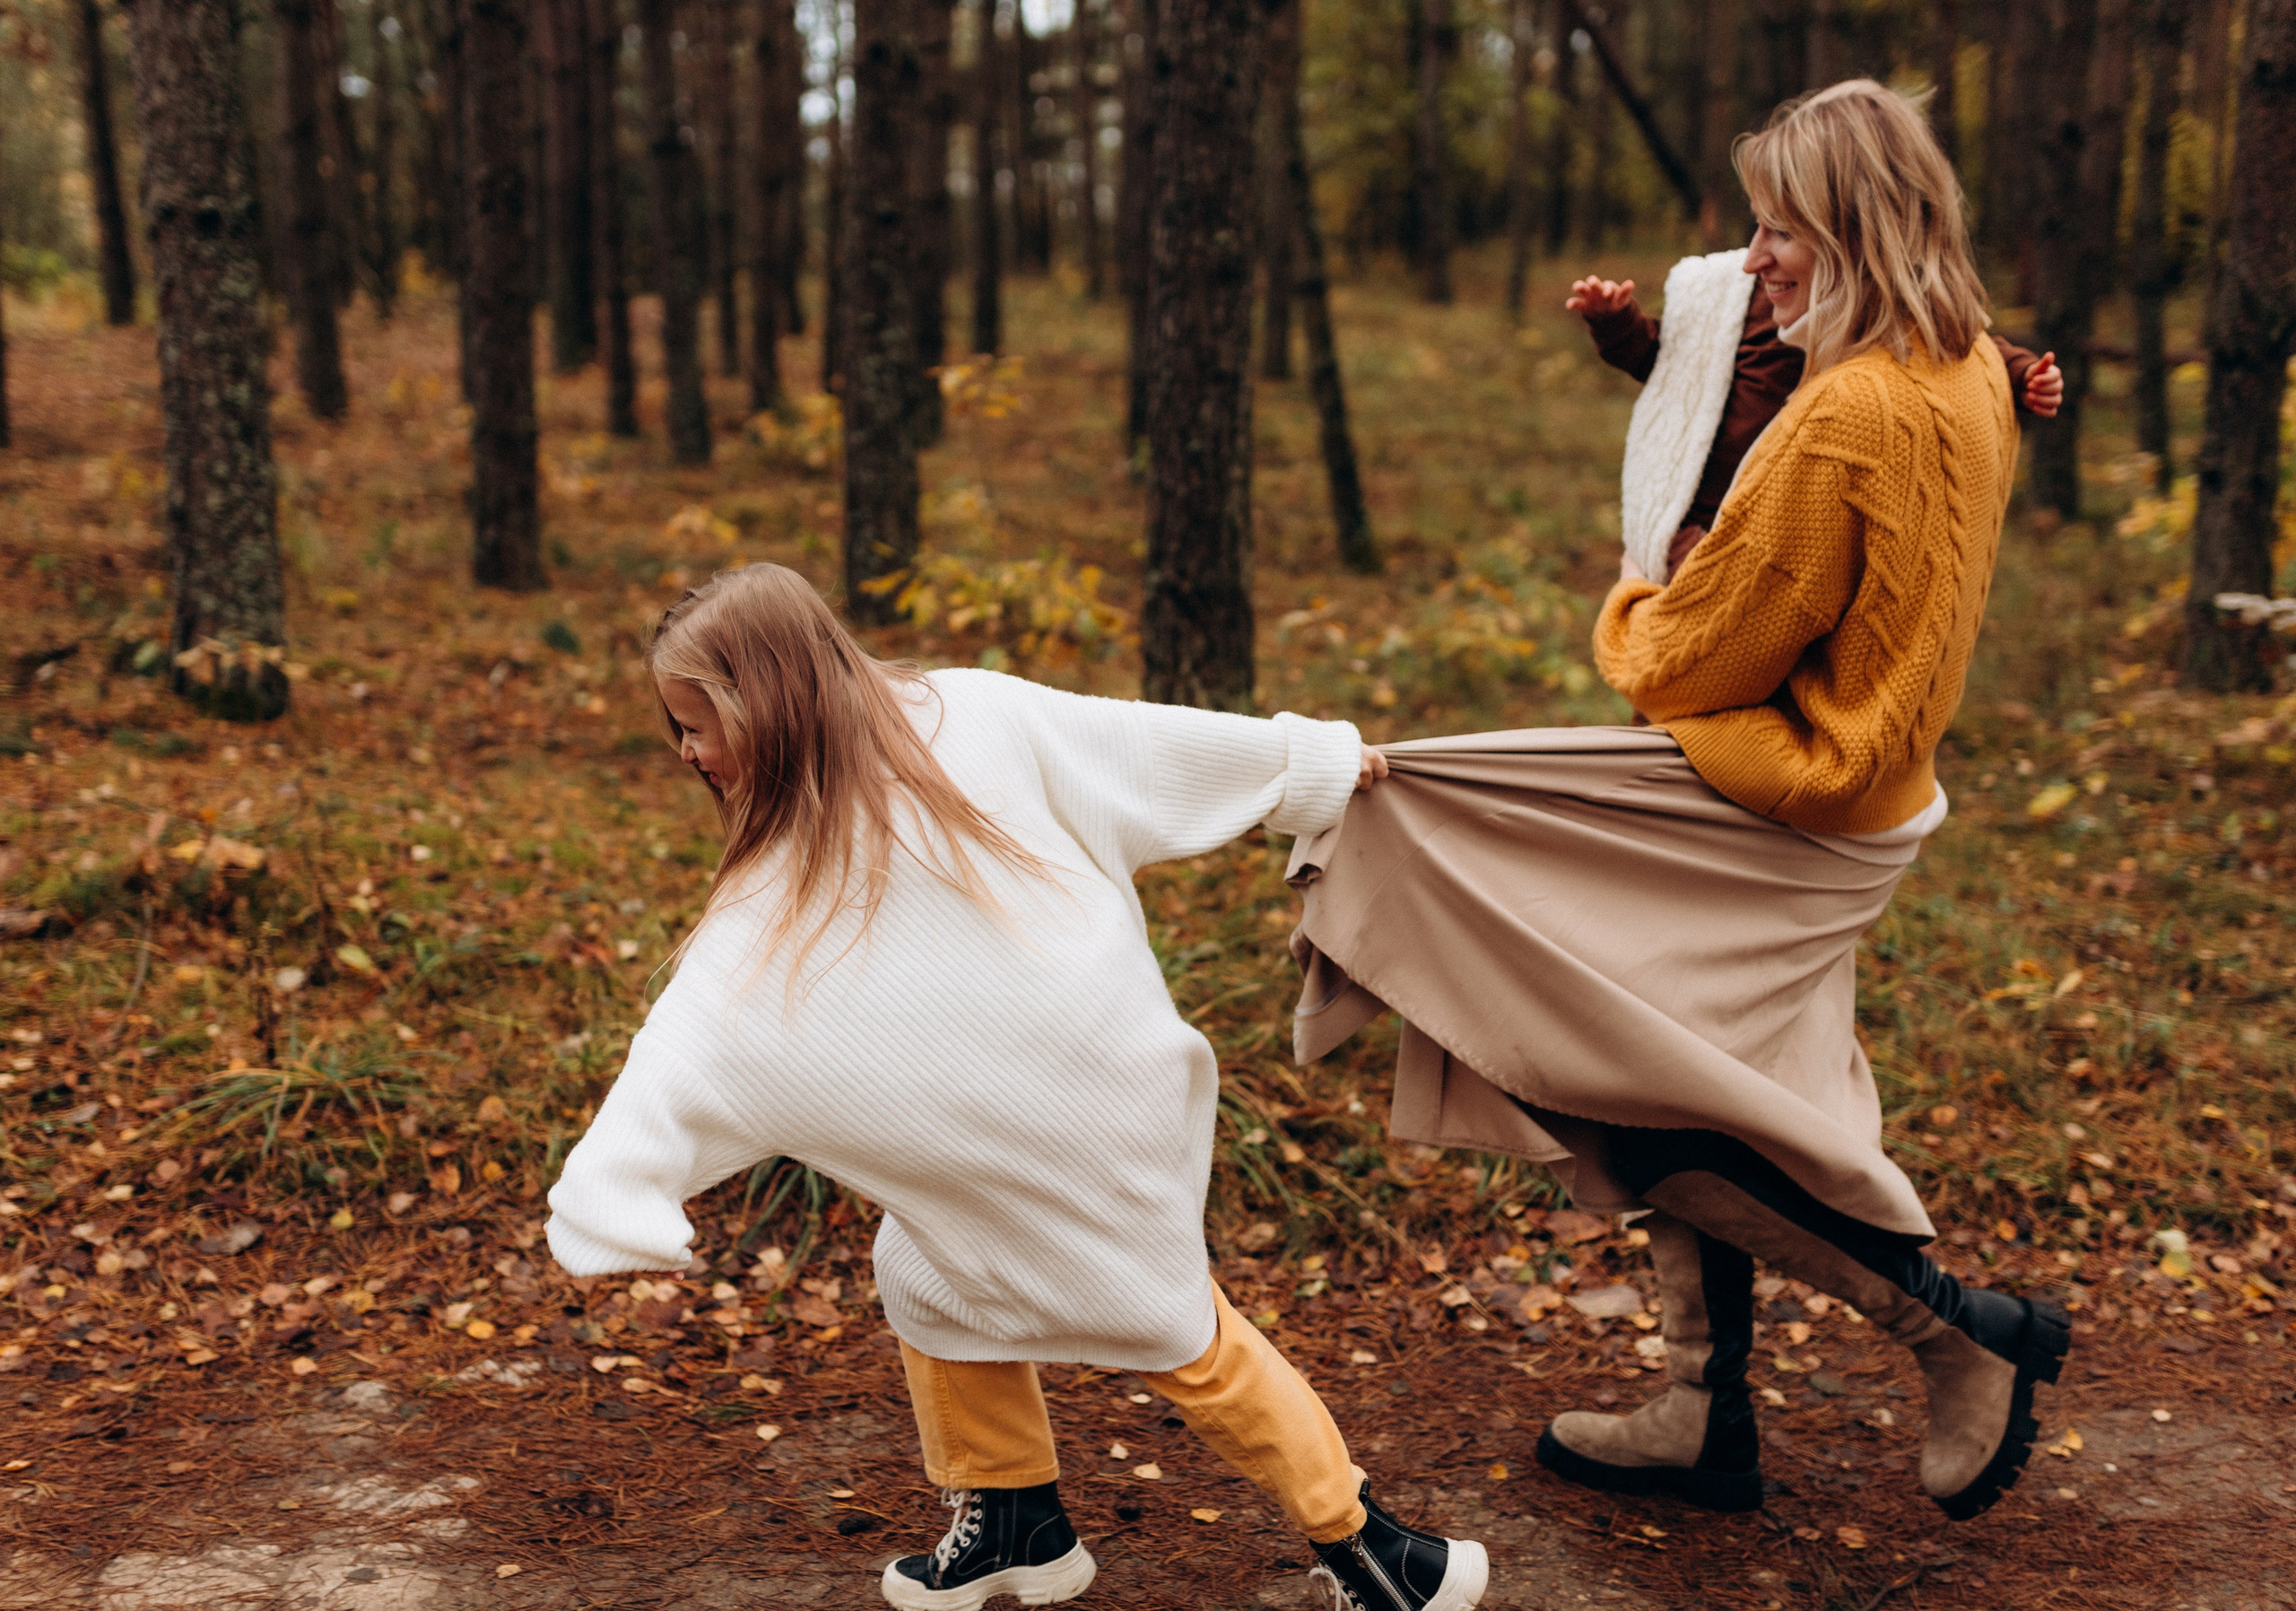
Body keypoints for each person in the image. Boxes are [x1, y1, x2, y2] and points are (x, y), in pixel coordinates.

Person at [1285, 80, 2064, 1526]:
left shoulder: (1849, 416)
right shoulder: (1963, 371)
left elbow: (1685, 656)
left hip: (1788, 804)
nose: (1756, 260)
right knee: (1704, 1068)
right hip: (1856, 788)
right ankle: (1705, 1408)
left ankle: (1955, 1332)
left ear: (1854, 230)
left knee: (1582, 1049)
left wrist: (1644, 590)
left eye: (1782, 231)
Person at [544, 564, 1487, 1611]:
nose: (686, 751)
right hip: (1024, 1115)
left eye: (696, 724)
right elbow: (696, 1032)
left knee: (1176, 1328)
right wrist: (620, 1178)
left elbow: (1142, 745)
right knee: (934, 1271)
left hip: (1086, 1115)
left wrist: (1306, 762)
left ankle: (1375, 1549)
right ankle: (1014, 1521)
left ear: (761, 702)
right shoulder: (829, 829)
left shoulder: (970, 723)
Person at [1563, 239, 2060, 588]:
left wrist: (2020, 373)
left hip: (1776, 526)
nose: (1759, 257)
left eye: (1782, 229)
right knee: (1667, 674)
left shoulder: (1872, 303)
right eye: (1761, 224)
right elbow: (1668, 361)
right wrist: (1616, 323)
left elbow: (1959, 342)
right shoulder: (1734, 294)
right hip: (1697, 514)